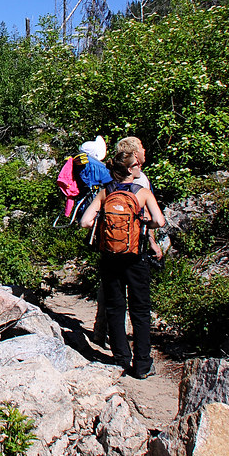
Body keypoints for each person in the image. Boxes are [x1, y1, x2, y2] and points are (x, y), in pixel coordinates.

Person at [81, 148, 165, 378]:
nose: (140, 168)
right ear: (130, 170)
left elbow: (85, 222)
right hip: (135, 257)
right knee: (140, 310)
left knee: (115, 308)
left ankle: (121, 358)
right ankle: (142, 364)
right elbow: (160, 220)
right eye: (137, 165)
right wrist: (143, 223)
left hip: (110, 257)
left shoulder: (105, 193)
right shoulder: (143, 193)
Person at [91, 136, 153, 346]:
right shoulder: (141, 183)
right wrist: (152, 241)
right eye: (142, 148)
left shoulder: (108, 186)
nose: (144, 151)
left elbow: (85, 221)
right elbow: (149, 219)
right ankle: (142, 358)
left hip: (110, 250)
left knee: (112, 300)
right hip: (134, 251)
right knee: (139, 307)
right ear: (135, 156)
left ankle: (106, 338)